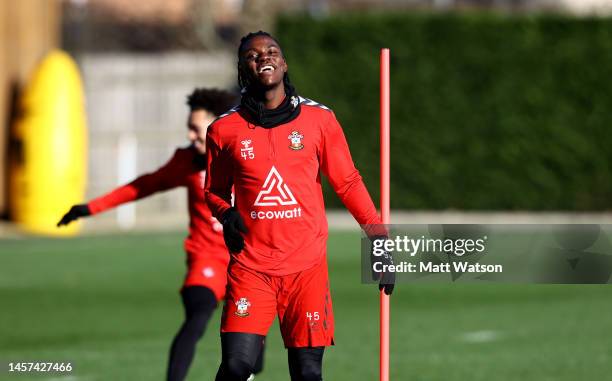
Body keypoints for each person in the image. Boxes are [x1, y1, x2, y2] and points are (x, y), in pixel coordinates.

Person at [205, 31, 394, 381]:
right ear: (242, 69)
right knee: (234, 367)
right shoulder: (223, 129)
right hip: (251, 267)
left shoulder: (319, 119)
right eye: (253, 55)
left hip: (306, 267)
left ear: (284, 63)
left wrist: (379, 237)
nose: (264, 57)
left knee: (307, 373)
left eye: (272, 51)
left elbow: (347, 182)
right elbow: (214, 191)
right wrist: (226, 213)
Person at [57, 88, 264, 381]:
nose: (191, 137)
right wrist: (90, 208)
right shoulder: (186, 162)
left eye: (195, 129)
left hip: (249, 264)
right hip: (206, 260)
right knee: (197, 315)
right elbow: (144, 185)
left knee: (253, 359)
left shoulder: (251, 156)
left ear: (217, 126)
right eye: (189, 130)